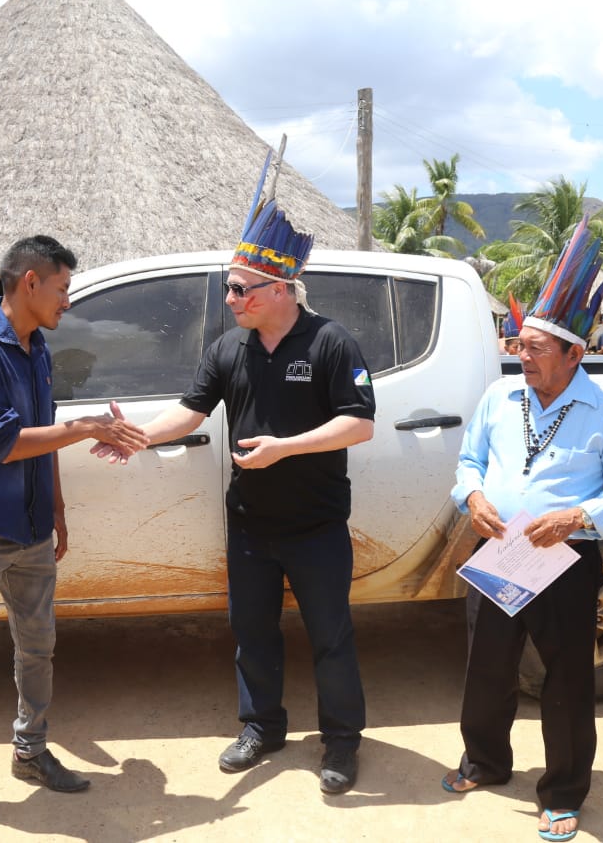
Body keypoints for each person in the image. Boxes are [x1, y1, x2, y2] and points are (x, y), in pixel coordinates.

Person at [134, 151, 375, 797]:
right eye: (229, 287)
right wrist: (136, 436)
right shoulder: (228, 348)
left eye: (240, 288)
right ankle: (262, 726)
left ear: (279, 290)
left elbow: (360, 423)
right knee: (253, 632)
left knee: (330, 635)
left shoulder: (331, 342)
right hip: (249, 524)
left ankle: (342, 741)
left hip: (317, 523)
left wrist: (286, 447)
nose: (230, 297)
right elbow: (190, 409)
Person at [442, 217, 603, 843]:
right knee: (486, 664)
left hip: (566, 559)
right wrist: (471, 496)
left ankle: (562, 792)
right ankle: (485, 760)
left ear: (573, 354)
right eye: (518, 344)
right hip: (500, 549)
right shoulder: (499, 399)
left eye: (533, 347)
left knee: (567, 676)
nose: (519, 354)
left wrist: (579, 517)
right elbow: (469, 462)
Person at [0, 235, 148, 838]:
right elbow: (6, 444)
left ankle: (30, 752)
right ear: (29, 282)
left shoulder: (37, 348)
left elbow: (44, 429)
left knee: (38, 648)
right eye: (62, 288)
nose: (68, 300)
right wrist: (87, 428)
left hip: (29, 526)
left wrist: (55, 508)